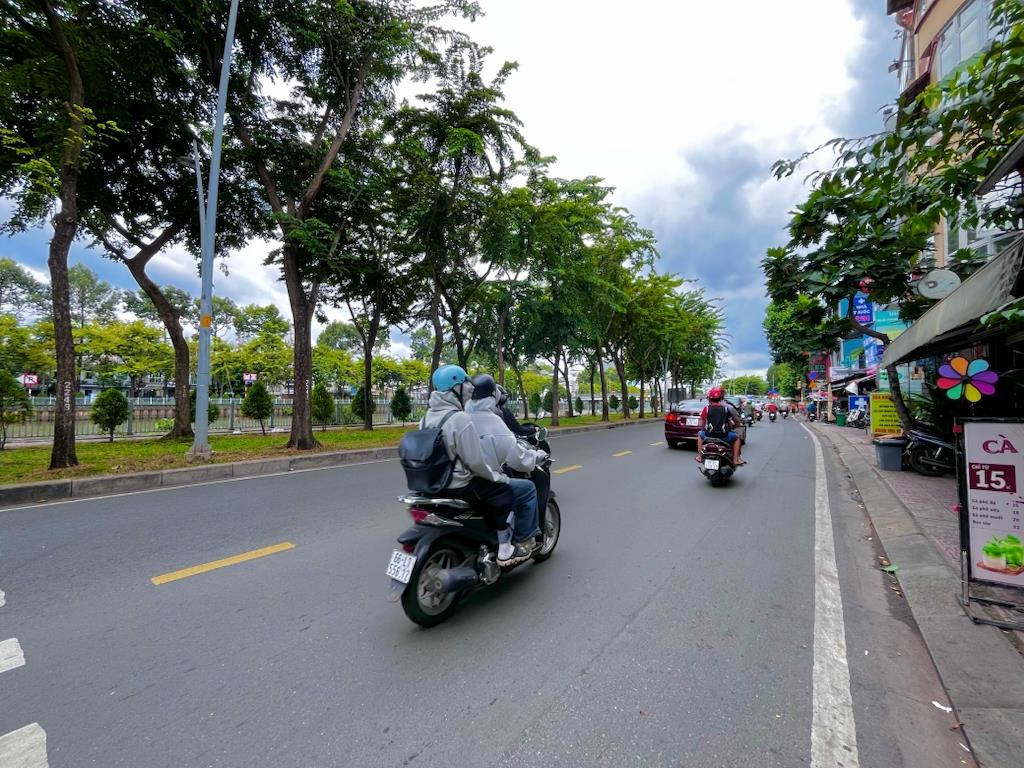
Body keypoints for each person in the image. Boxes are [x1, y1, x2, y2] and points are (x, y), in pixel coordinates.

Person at [420, 364, 540, 566]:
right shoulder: (459, 418)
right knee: (510, 490)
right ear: (455, 388)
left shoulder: (426, 418)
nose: (469, 388)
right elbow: (475, 461)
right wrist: (498, 477)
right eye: (465, 383)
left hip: (434, 485)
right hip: (461, 485)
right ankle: (506, 548)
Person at [466, 374, 549, 549]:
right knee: (527, 489)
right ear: (493, 396)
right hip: (481, 482)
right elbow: (518, 458)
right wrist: (536, 456)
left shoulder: (458, 418)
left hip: (454, 482)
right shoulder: (493, 421)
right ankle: (523, 541)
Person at [696, 386, 744, 466]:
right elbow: (729, 422)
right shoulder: (726, 409)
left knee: (700, 434)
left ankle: (700, 456)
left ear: (709, 399)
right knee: (737, 438)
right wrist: (730, 429)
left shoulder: (706, 409)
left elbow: (703, 422)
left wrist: (703, 429)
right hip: (723, 436)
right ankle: (736, 459)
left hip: (709, 435)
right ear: (721, 398)